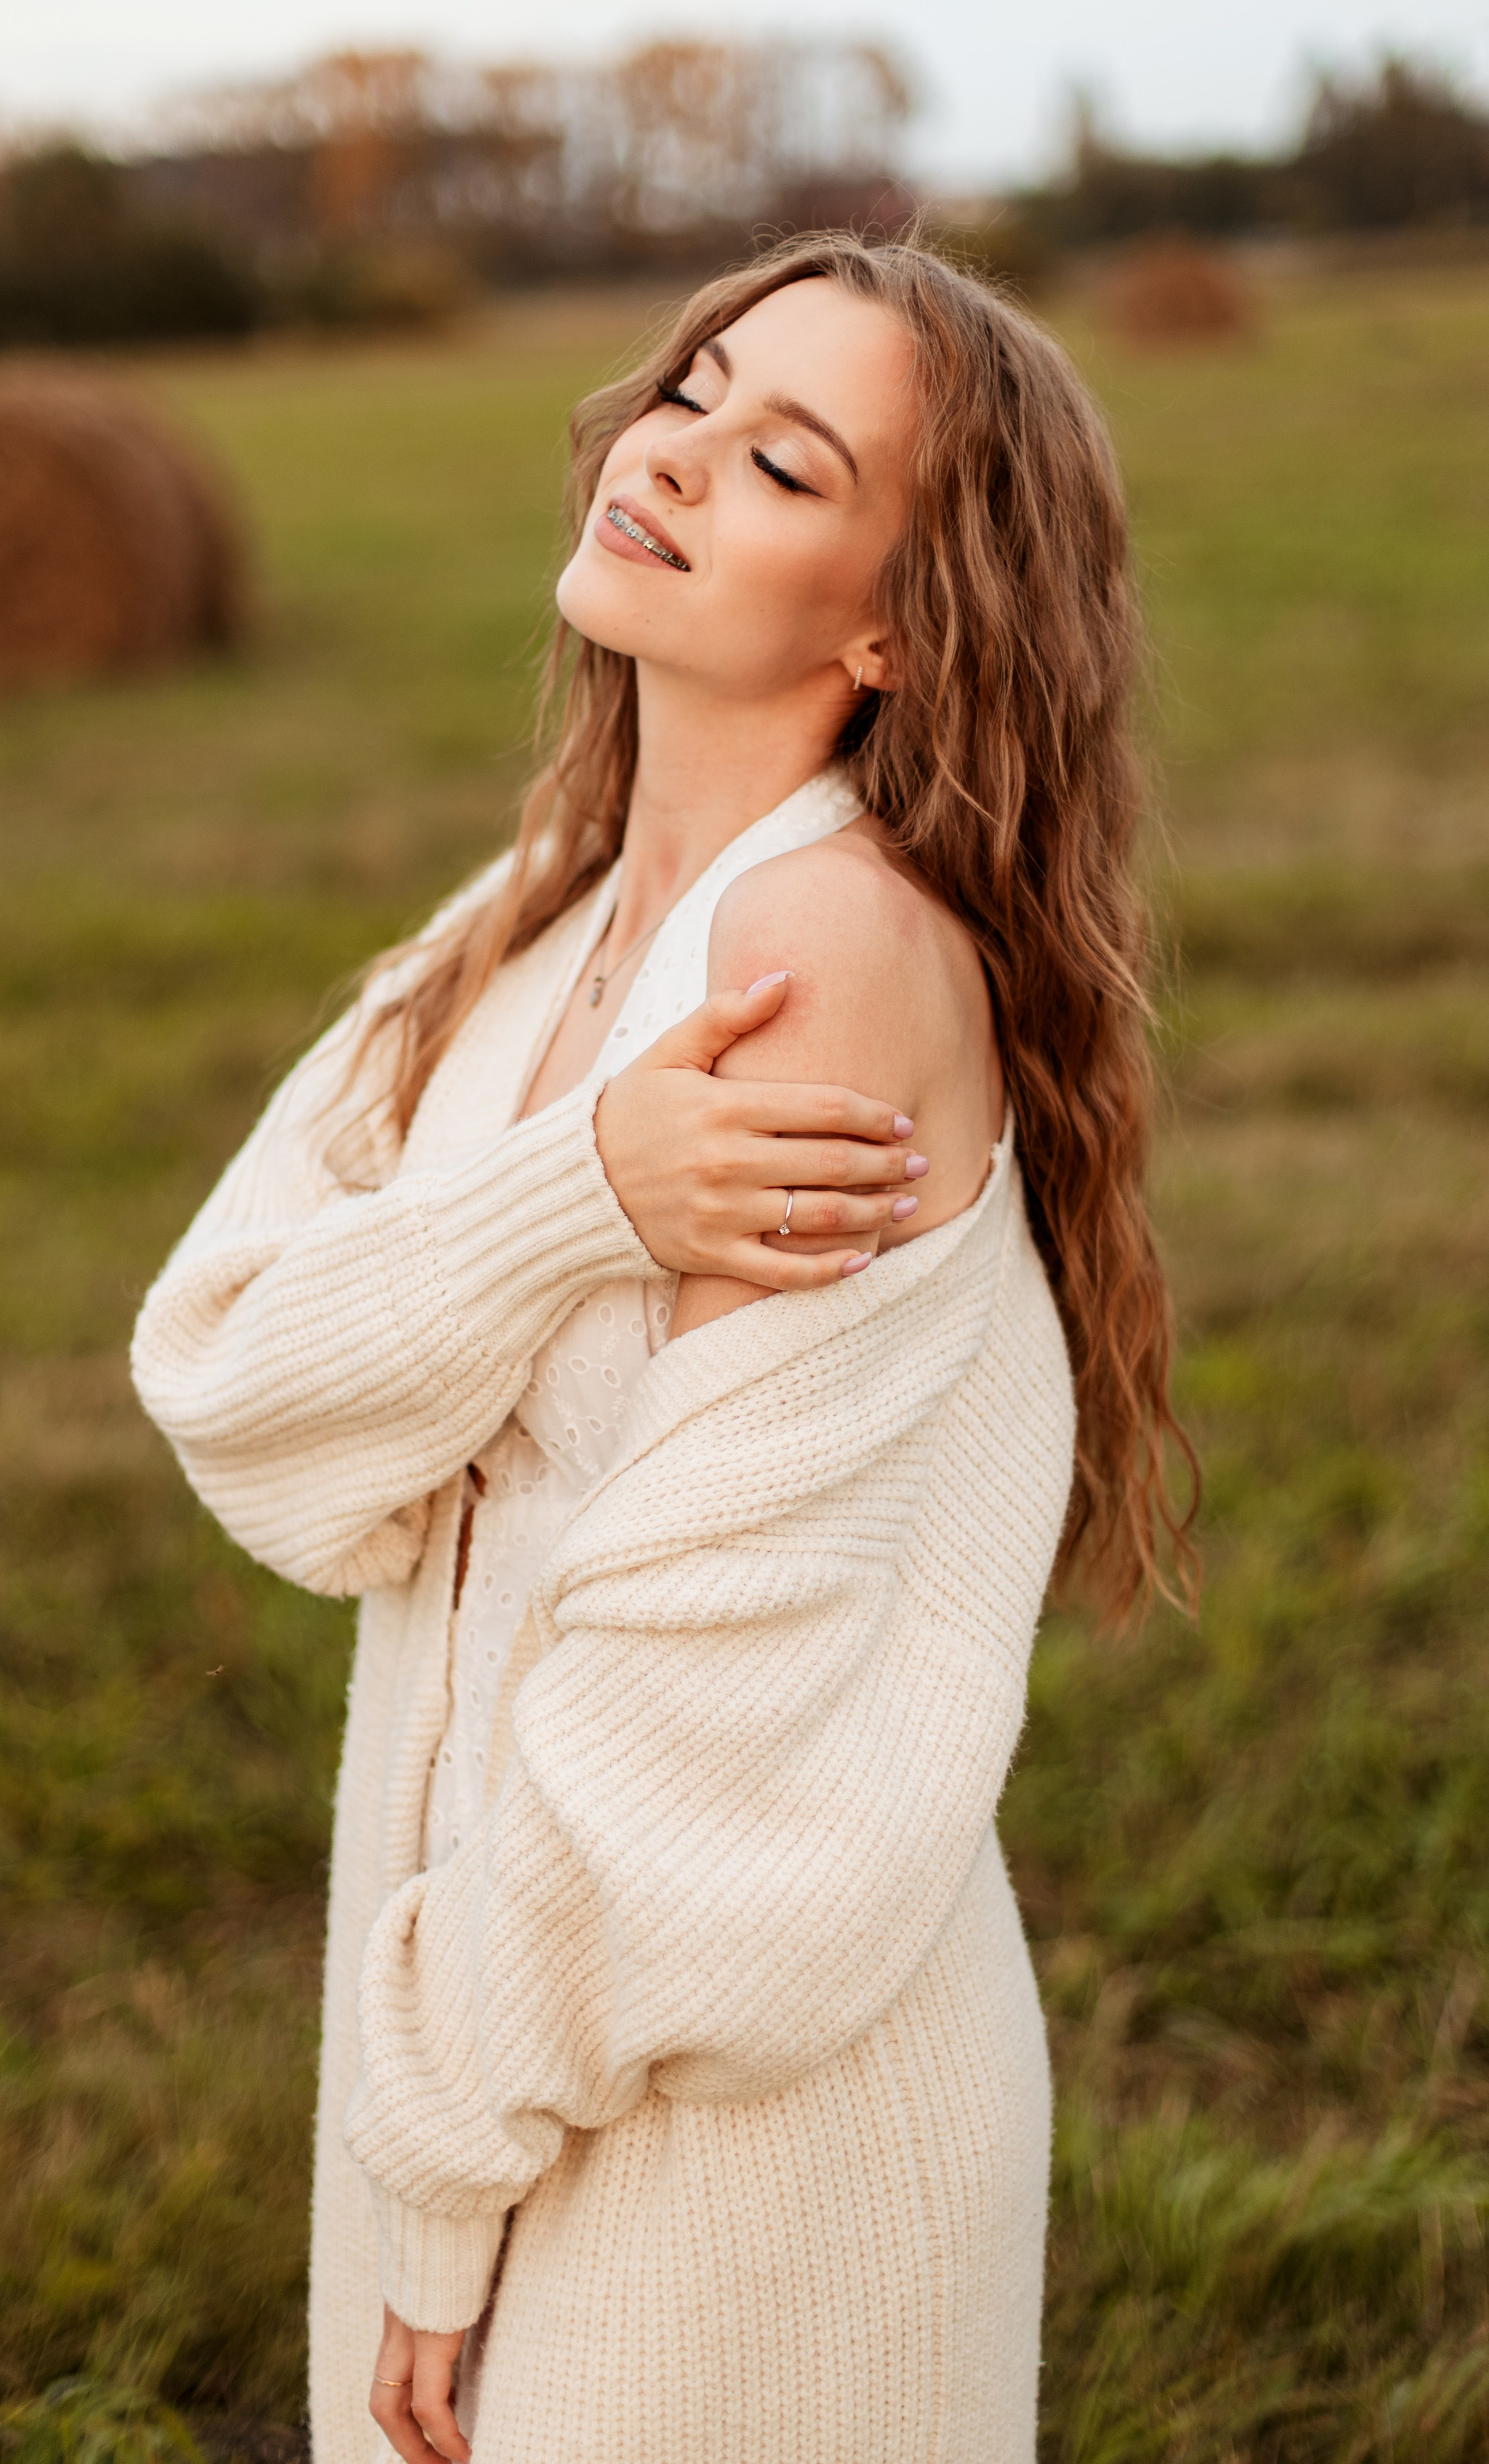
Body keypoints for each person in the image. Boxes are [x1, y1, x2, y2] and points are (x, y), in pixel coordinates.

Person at [132, 231, 1196, 2464]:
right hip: (509, 2047)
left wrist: (447, 2181)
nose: (672, 453)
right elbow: (228, 1373)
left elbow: (697, 1684)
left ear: (901, 623)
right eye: (691, 390)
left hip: (722, 2115)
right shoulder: (536, 896)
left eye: (783, 458)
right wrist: (582, 1194)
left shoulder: (817, 950)